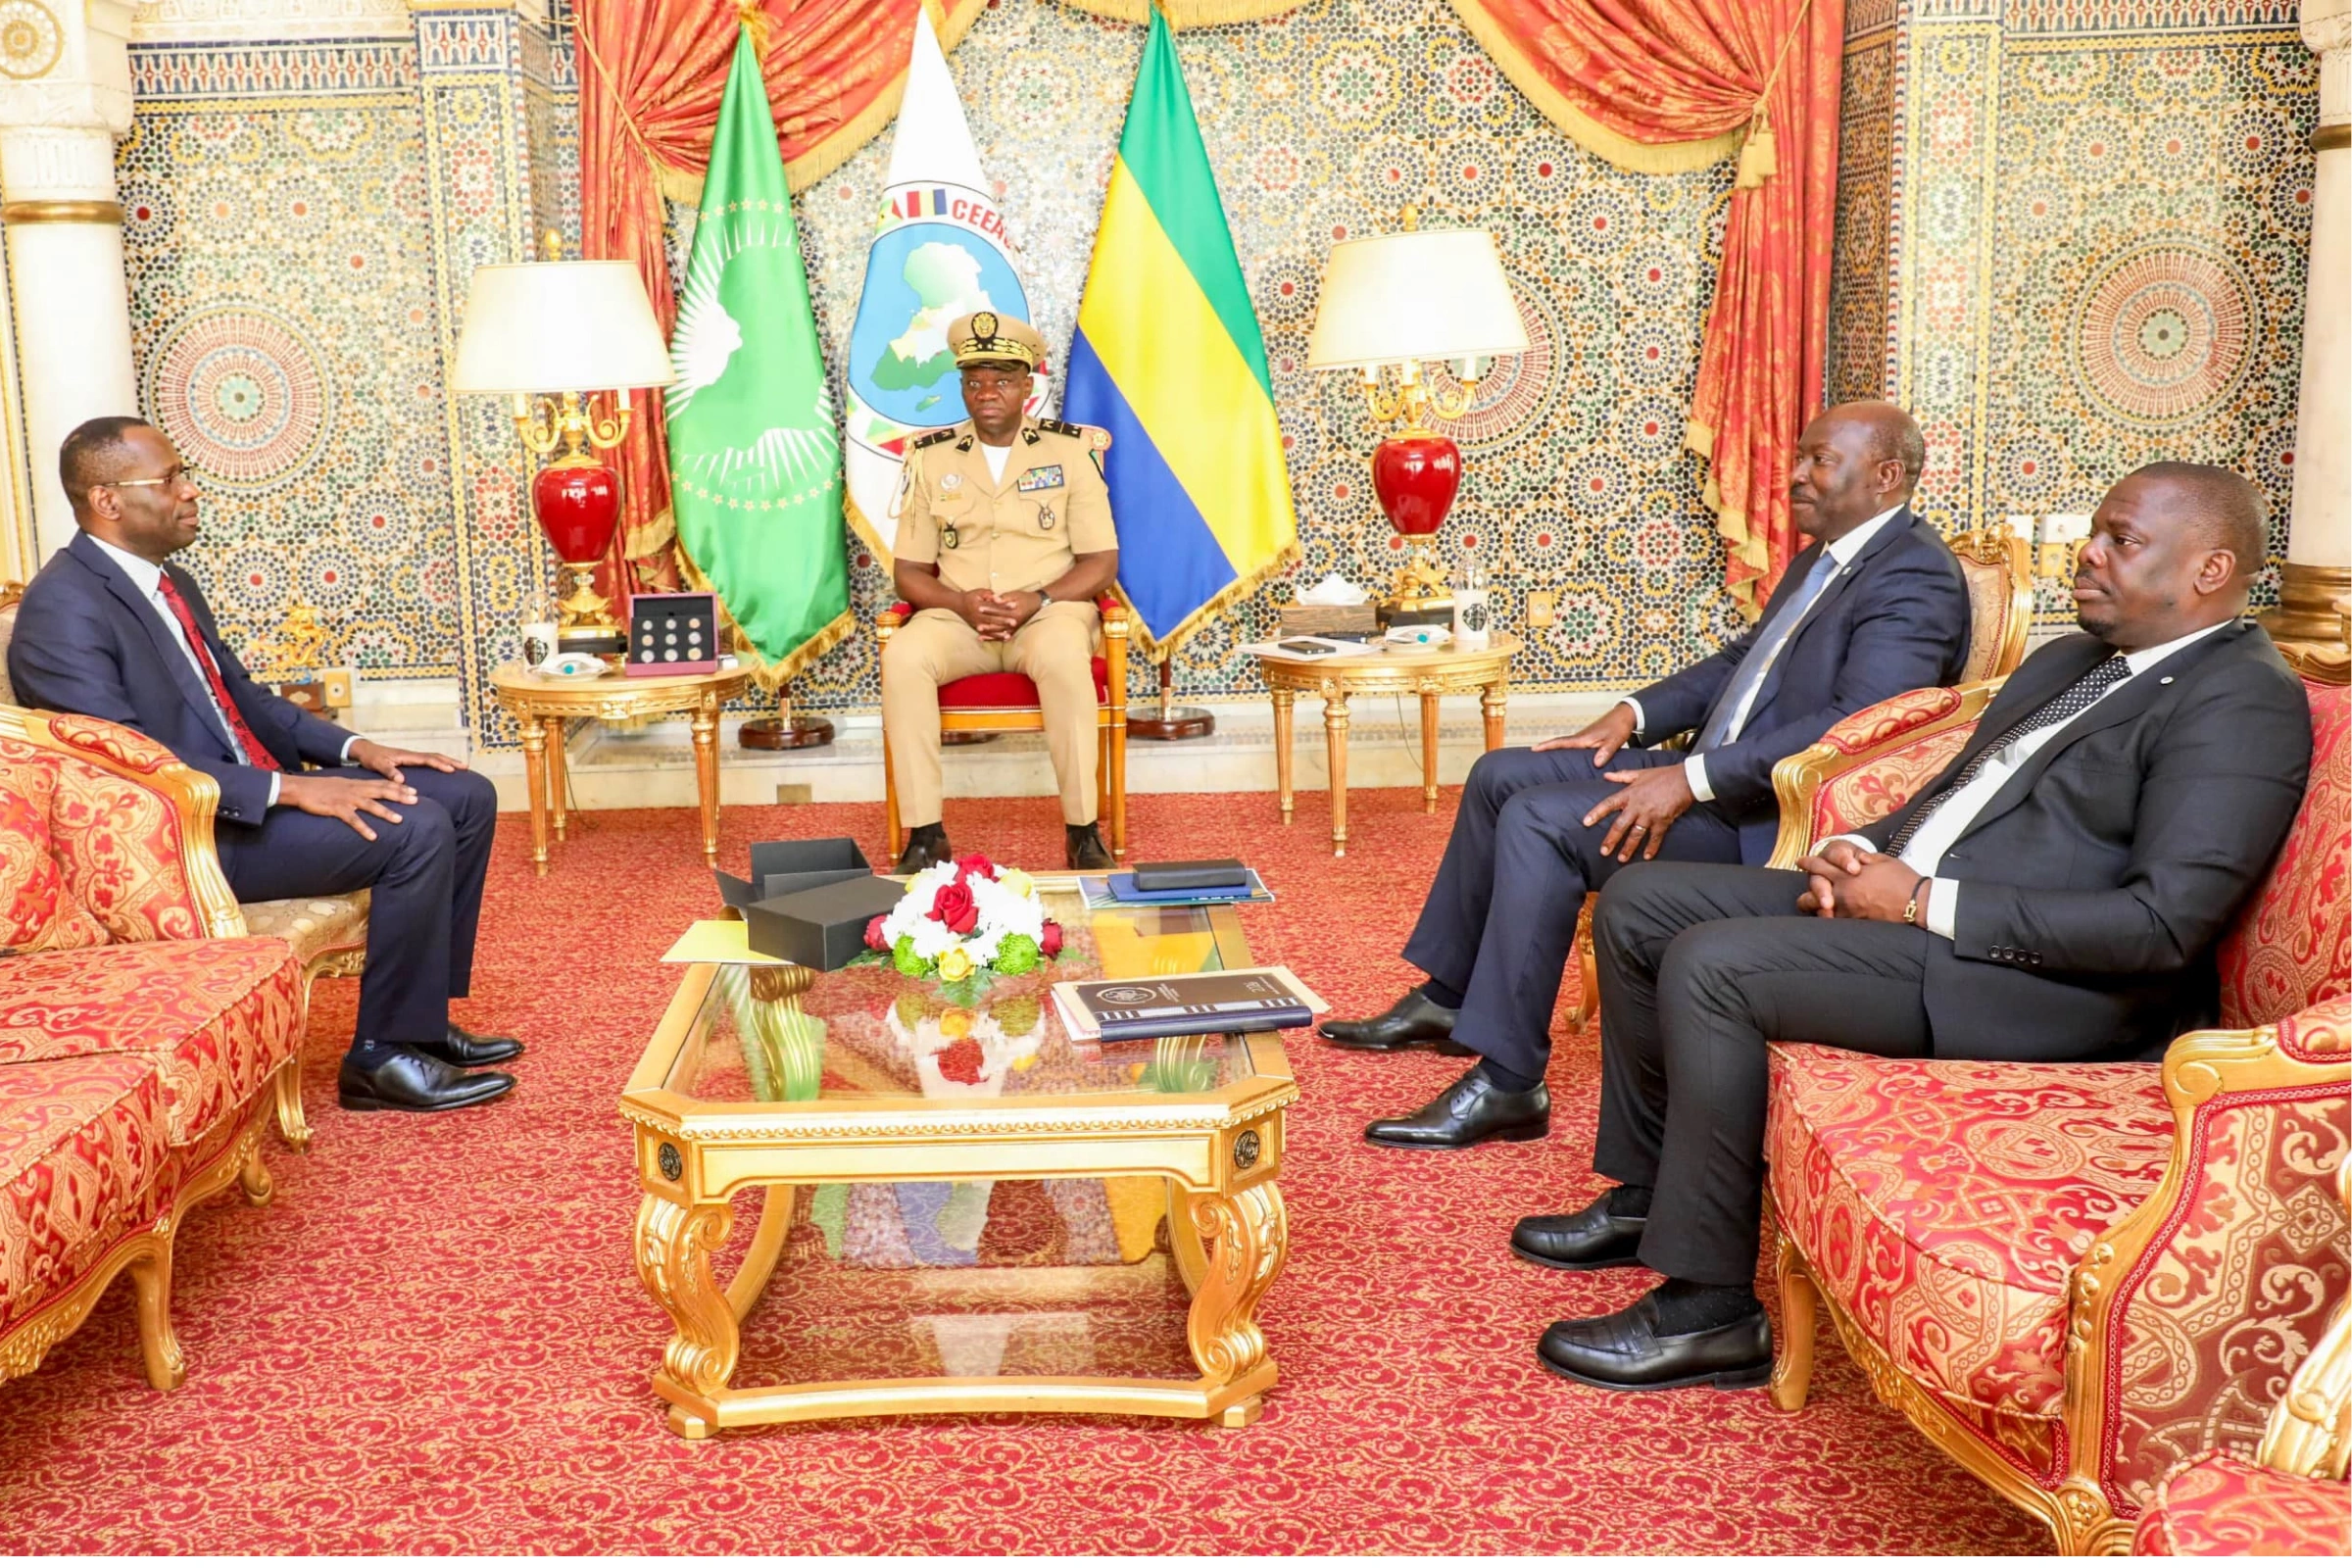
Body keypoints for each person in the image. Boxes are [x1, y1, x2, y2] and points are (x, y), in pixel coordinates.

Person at [1528, 463, 2312, 1395]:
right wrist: (1859, 849)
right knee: (1642, 903)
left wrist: (1915, 900)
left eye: (2122, 541)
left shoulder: (2240, 701)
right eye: (2095, 533)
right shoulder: (2073, 659)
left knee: (1714, 966)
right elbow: (1957, 800)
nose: (2088, 557)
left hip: (2049, 987)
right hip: (1924, 914)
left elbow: (2159, 926)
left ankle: (1709, 1311)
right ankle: (1649, 1194)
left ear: (2210, 569)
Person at [1330, 402, 1974, 1150]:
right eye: (1800, 456)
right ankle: (1449, 997)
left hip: (1770, 814)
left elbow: (1854, 729)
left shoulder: (1915, 576)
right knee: (1501, 775)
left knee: (1540, 824)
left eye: (1819, 460)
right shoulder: (1826, 554)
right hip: (1718, 768)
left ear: (1886, 475)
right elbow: (1744, 662)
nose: (1795, 474)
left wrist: (1691, 780)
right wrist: (1631, 715)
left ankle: (1509, 1082)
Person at [7, 416, 520, 1115]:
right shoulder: (63, 610)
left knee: (462, 795)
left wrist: (355, 750)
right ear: (108, 500)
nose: (191, 492)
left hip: (238, 795)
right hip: (181, 840)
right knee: (413, 826)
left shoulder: (168, 581)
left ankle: (421, 1021)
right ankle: (382, 1058)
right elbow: (123, 766)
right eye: (170, 480)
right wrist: (292, 791)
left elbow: (240, 700)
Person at [882, 311, 1120, 874]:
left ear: (1028, 388)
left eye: (1002, 381)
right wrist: (960, 603)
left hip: (1047, 615)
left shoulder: (1069, 454)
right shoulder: (931, 457)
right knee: (902, 657)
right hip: (958, 617)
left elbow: (1102, 562)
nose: (987, 393)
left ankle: (1082, 831)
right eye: (974, 381)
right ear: (962, 387)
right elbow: (909, 572)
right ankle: (926, 832)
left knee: (1066, 660)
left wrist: (1037, 599)